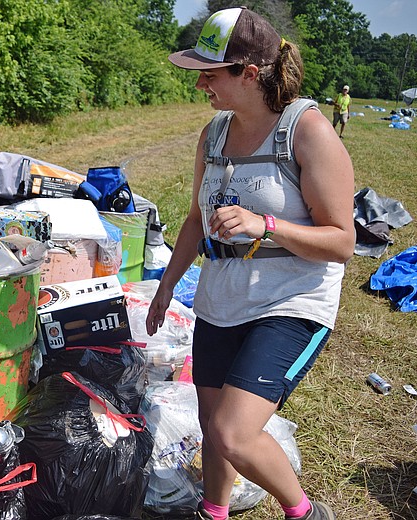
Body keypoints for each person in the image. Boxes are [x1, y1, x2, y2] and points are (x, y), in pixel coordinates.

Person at [146, 7, 354, 520]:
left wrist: (268, 225)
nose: (201, 87)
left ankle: (305, 512)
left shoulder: (306, 132)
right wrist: (167, 286)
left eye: (210, 75)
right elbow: (196, 218)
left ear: (251, 74)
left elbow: (342, 241)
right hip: (222, 299)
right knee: (212, 423)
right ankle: (213, 512)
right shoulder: (214, 134)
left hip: (292, 301)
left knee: (232, 432)